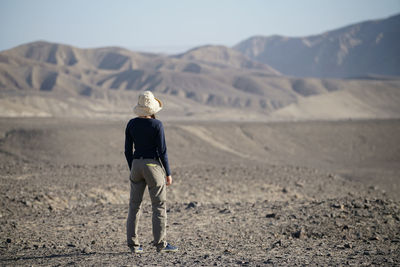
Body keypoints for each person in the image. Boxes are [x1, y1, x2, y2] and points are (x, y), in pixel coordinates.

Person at [125, 91, 178, 253]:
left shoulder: (131, 124)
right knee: (158, 206)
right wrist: (168, 173)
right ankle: (160, 244)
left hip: (136, 165)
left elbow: (127, 150)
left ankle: (134, 246)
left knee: (134, 206)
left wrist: (133, 166)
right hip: (153, 166)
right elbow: (162, 151)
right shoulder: (157, 125)